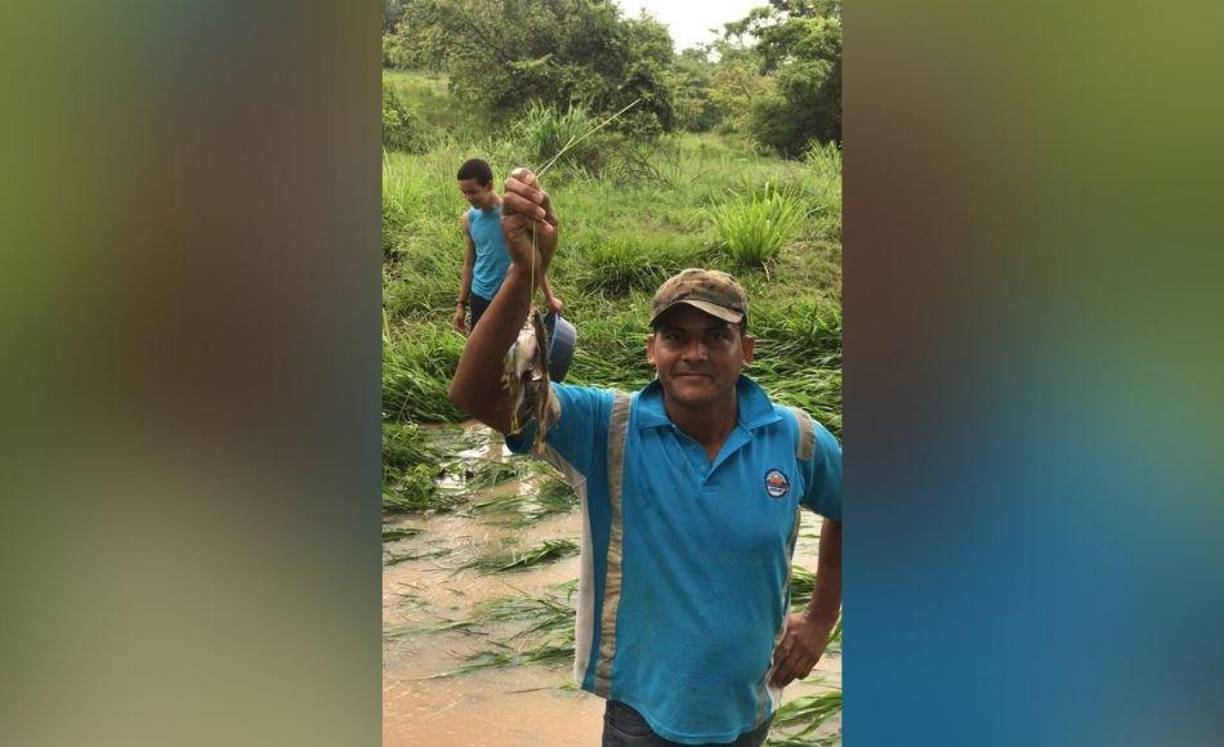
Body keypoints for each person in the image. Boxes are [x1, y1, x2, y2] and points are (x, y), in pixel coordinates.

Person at [448, 168, 842, 747]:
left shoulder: (797, 439)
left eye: (717, 336)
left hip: (750, 716)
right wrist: (522, 274)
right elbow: (474, 394)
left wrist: (820, 621)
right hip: (641, 723)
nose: (695, 353)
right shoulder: (604, 430)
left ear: (747, 351)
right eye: (676, 337)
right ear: (651, 351)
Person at [453, 158, 562, 334]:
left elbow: (535, 261)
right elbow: (470, 262)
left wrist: (549, 298)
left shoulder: (515, 215)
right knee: (483, 351)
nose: (468, 198)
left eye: (473, 192)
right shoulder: (468, 218)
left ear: (488, 185)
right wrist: (461, 304)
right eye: (463, 192)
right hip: (479, 296)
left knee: (515, 352)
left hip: (512, 297)